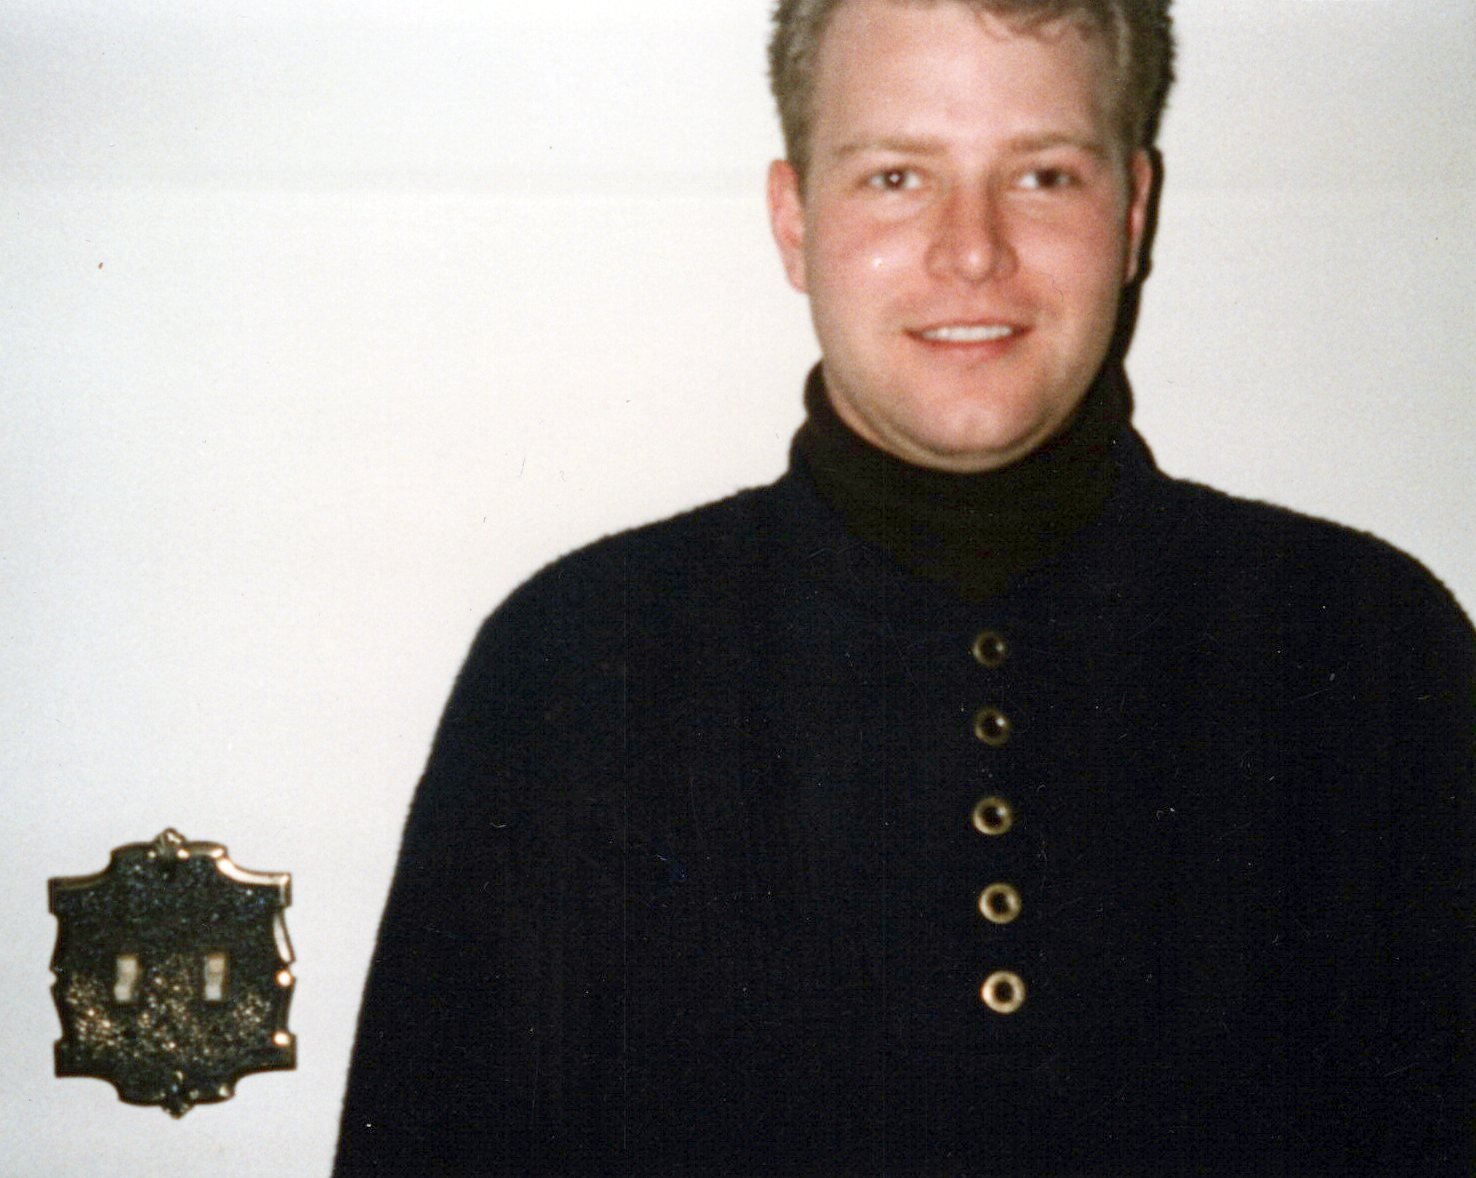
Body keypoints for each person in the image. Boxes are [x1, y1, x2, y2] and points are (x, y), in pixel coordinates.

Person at [334, 0, 1473, 1173]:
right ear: (794, 222)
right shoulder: (577, 661)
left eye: (1042, 175)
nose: (972, 250)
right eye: (895, 177)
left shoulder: (1370, 646)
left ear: (1133, 213)